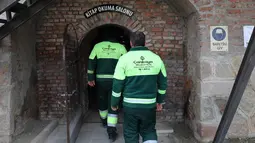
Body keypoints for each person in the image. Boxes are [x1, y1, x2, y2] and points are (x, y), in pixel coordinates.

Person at [111, 31, 167, 143]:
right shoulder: (156, 58)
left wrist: (114, 103)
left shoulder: (124, 59)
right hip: (149, 105)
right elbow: (163, 83)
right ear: (145, 42)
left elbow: (117, 85)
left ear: (131, 43)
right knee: (149, 131)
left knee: (131, 132)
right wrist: (159, 101)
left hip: (130, 105)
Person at [87, 36, 127, 142]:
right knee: (113, 104)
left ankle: (104, 121)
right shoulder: (121, 47)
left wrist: (90, 78)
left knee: (102, 101)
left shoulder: (97, 46)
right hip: (115, 81)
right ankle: (111, 131)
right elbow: (126, 64)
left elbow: (91, 62)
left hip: (100, 81)